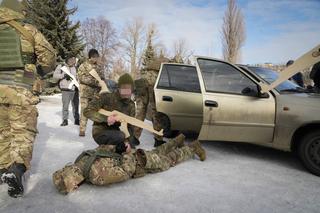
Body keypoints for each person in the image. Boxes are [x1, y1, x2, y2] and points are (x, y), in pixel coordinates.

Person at [0, 3, 56, 198]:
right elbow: (49, 59)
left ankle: (2, 169)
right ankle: (15, 172)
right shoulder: (27, 29)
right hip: (21, 86)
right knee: (23, 132)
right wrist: (39, 71)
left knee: (3, 131)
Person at [52, 134, 206, 194]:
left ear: (75, 182)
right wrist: (119, 148)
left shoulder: (97, 176)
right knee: (157, 152)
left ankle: (193, 148)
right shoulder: (82, 158)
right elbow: (102, 148)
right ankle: (177, 140)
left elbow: (127, 172)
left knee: (168, 160)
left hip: (139, 162)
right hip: (134, 154)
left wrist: (124, 154)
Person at [84, 73, 139, 148]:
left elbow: (130, 126)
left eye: (129, 89)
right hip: (101, 132)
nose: (127, 92)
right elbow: (87, 111)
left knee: (131, 148)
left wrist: (128, 141)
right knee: (120, 137)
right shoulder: (106, 97)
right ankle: (104, 151)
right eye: (124, 89)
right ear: (119, 88)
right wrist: (106, 119)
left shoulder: (131, 105)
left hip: (119, 132)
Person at [134, 56, 170, 147]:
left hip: (142, 85)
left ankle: (134, 138)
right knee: (156, 114)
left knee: (140, 113)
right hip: (153, 86)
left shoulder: (152, 65)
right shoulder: (166, 64)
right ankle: (158, 140)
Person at [78, 49, 104, 136]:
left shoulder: (99, 67)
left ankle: (96, 130)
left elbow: (102, 79)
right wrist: (96, 82)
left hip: (95, 93)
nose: (96, 59)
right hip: (85, 93)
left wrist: (102, 84)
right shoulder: (84, 66)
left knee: (95, 112)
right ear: (90, 57)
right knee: (84, 111)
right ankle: (82, 130)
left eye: (97, 57)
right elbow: (81, 78)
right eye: (95, 57)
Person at [53, 56, 78, 126]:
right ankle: (65, 120)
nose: (71, 62)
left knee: (75, 106)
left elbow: (78, 77)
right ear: (67, 60)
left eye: (73, 60)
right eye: (70, 60)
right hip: (65, 89)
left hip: (74, 89)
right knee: (65, 106)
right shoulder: (61, 66)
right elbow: (55, 75)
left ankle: (77, 119)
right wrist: (63, 75)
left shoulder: (75, 67)